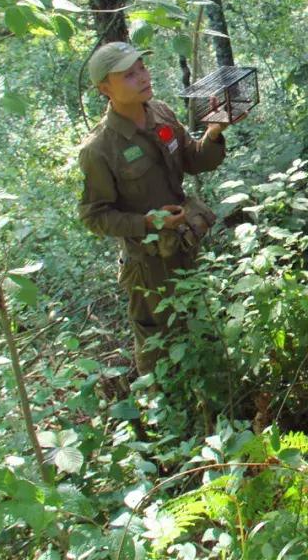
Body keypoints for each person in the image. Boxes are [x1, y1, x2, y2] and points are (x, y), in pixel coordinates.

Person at [78, 42, 232, 375]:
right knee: (158, 349)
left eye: (142, 69)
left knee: (199, 325)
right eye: (128, 74)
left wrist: (215, 129)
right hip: (148, 268)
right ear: (105, 88)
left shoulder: (160, 112)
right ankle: (165, 412)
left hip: (186, 247)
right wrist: (146, 222)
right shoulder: (100, 148)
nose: (142, 77)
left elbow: (193, 159)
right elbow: (94, 216)